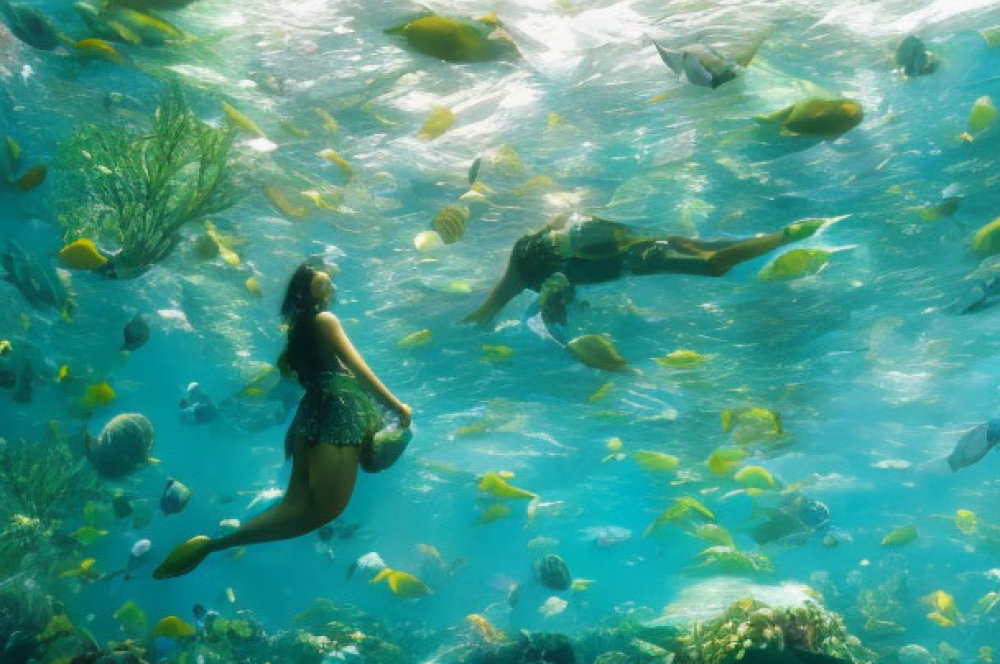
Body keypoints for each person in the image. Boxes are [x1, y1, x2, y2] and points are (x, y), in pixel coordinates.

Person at [153, 261, 412, 579]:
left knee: (295, 504)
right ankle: (216, 544)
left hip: (310, 418)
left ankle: (215, 545)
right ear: (308, 289)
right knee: (323, 510)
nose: (329, 287)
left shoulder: (297, 333)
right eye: (322, 282)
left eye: (329, 281)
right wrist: (395, 405)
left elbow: (292, 386)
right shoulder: (324, 320)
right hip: (340, 416)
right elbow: (359, 369)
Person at [464, 213, 826, 325]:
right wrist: (785, 236)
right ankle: (780, 234)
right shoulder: (634, 257)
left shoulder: (526, 251)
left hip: (558, 269)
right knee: (701, 249)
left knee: (694, 246)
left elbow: (484, 314)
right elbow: (715, 266)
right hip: (575, 271)